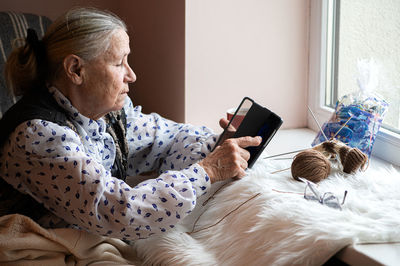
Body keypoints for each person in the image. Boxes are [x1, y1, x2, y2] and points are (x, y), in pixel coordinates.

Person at [0, 7, 261, 241]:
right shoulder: (39, 137)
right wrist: (207, 171)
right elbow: (121, 212)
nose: (132, 75)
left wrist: (218, 147)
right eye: (118, 63)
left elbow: (170, 139)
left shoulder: (106, 113)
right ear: (76, 70)